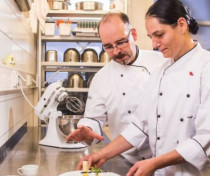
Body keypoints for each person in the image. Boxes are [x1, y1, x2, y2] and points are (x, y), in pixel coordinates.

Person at [76, 0, 210, 176]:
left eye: (159, 35)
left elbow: (207, 140)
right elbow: (140, 127)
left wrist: (154, 163)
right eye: (151, 37)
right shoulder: (160, 73)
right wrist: (101, 155)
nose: (154, 44)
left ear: (181, 25)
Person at [66, 12, 165, 164]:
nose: (116, 52)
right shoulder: (101, 78)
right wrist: (88, 129)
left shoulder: (162, 62)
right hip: (126, 159)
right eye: (108, 47)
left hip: (163, 159)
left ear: (133, 34)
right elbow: (94, 119)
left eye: (121, 42)